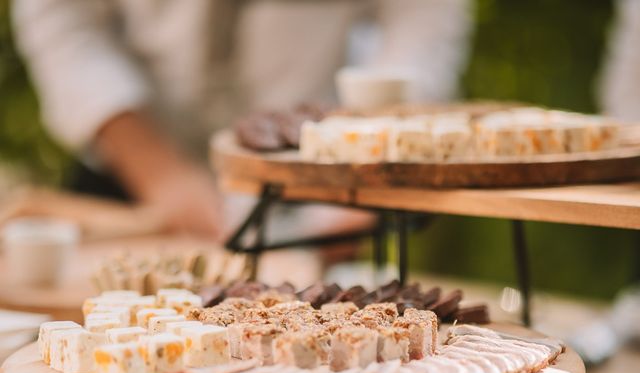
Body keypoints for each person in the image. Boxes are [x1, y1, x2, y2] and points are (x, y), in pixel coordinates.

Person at [12, 0, 471, 241]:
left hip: (313, 186)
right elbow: (59, 16)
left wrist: (371, 163)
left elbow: (423, 19)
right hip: (128, 174)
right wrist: (155, 167)